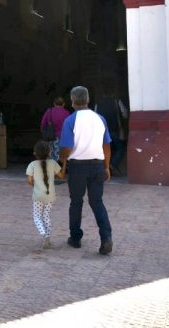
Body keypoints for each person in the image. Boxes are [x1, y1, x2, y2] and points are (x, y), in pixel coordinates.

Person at [59, 85, 114, 255]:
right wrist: (106, 166)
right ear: (88, 100)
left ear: (72, 101)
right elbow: (106, 145)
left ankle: (75, 238)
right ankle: (106, 238)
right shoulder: (100, 119)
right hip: (97, 165)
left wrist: (63, 160)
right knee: (97, 201)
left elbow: (66, 148)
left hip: (77, 167)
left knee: (76, 202)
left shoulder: (70, 120)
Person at [26, 140, 66, 249]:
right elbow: (62, 176)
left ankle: (43, 234)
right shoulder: (53, 163)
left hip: (38, 196)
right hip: (51, 196)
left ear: (35, 153)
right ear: (49, 153)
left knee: (37, 217)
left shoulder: (32, 165)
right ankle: (48, 237)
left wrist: (35, 184)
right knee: (46, 216)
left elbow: (29, 181)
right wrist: (65, 163)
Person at [40, 97, 70, 162]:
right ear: (63, 104)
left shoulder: (49, 111)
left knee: (50, 155)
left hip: (51, 137)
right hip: (63, 137)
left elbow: (43, 124)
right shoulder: (66, 113)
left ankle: (52, 170)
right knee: (62, 156)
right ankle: (60, 170)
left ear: (54, 104)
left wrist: (44, 133)